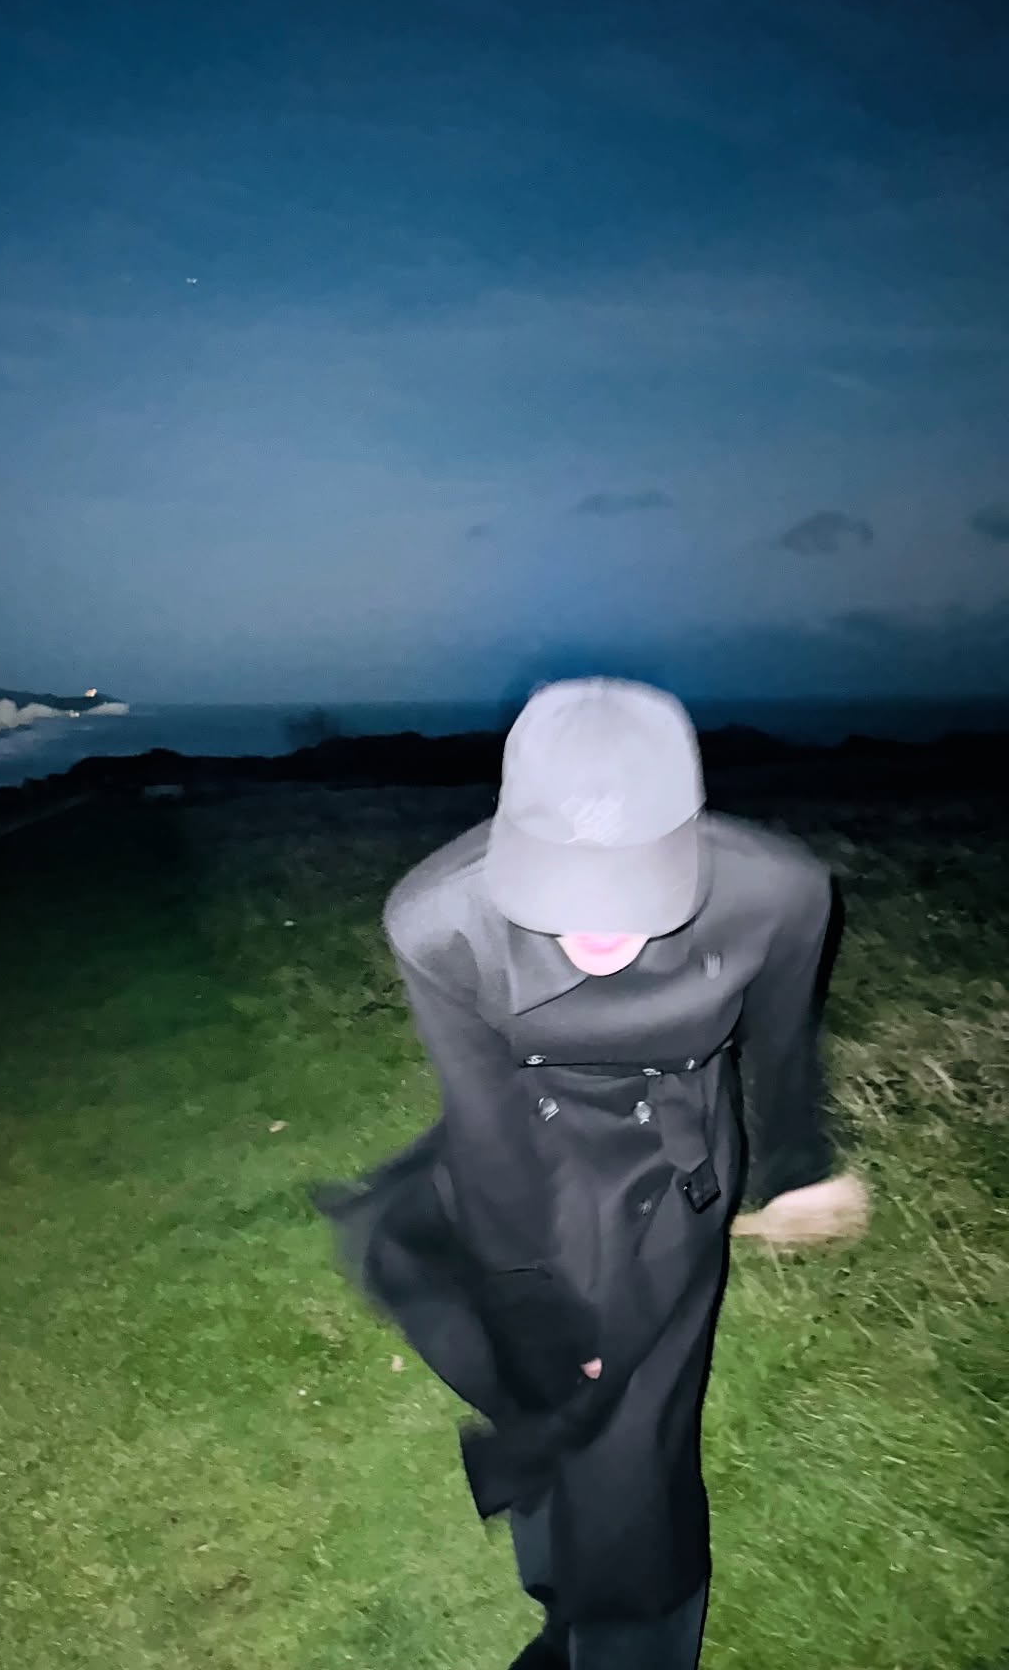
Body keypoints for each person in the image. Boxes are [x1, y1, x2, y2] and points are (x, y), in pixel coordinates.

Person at [311, 676, 869, 1670]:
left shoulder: (778, 892)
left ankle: (626, 1643)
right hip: (525, 1145)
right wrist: (536, 1312)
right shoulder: (440, 921)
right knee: (541, 1377)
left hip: (675, 1150)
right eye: (566, 879)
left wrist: (795, 1166)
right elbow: (485, 1131)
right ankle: (561, 1590)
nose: (598, 925)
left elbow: (783, 1045)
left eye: (629, 877)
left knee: (635, 1436)